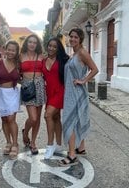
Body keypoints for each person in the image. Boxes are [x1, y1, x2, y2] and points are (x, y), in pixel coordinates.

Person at [59, 27, 98, 166]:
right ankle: (80, 148)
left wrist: (83, 80)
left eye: (76, 37)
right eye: (71, 36)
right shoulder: (74, 53)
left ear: (80, 39)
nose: (73, 39)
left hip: (77, 93)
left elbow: (95, 69)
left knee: (69, 122)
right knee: (77, 120)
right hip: (71, 92)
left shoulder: (82, 53)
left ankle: (72, 155)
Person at [42, 37, 69, 159]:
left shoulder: (63, 60)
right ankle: (58, 144)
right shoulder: (43, 61)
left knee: (48, 115)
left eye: (54, 46)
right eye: (50, 45)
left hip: (60, 91)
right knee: (56, 117)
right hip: (49, 93)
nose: (51, 48)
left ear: (58, 49)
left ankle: (49, 145)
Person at [20, 34, 45, 155]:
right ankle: (25, 133)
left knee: (38, 118)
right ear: (26, 43)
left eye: (34, 42)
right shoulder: (21, 56)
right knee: (33, 118)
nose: (32, 44)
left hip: (40, 86)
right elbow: (15, 71)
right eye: (30, 42)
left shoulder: (41, 56)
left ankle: (33, 142)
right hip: (28, 87)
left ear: (37, 44)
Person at [0, 40, 20, 159]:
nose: (10, 52)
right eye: (9, 49)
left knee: (11, 119)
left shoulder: (19, 64)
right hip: (0, 93)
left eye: (13, 50)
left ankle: (15, 144)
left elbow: (24, 77)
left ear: (16, 52)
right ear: (5, 50)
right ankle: (8, 142)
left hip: (13, 93)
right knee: (4, 119)